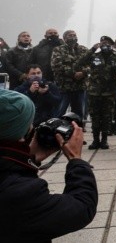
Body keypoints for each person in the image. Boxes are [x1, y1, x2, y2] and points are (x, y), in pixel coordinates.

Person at [0, 89, 97, 241]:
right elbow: (82, 207)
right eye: (31, 126)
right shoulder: (17, 193)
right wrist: (76, 160)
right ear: (21, 135)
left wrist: (29, 160)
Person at [76, 36, 116, 150]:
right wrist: (92, 49)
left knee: (106, 117)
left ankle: (104, 140)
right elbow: (79, 63)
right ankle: (95, 140)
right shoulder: (94, 56)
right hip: (94, 92)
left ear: (111, 45)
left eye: (107, 43)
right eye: (102, 43)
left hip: (108, 92)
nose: (105, 45)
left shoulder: (115, 58)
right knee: (95, 117)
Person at [51, 30, 89, 120]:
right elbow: (56, 66)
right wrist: (74, 74)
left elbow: (92, 64)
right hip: (64, 87)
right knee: (60, 112)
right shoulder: (58, 50)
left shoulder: (83, 49)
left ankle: (77, 130)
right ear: (64, 38)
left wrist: (83, 73)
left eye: (74, 35)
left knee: (79, 114)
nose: (73, 37)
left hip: (80, 87)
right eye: (70, 35)